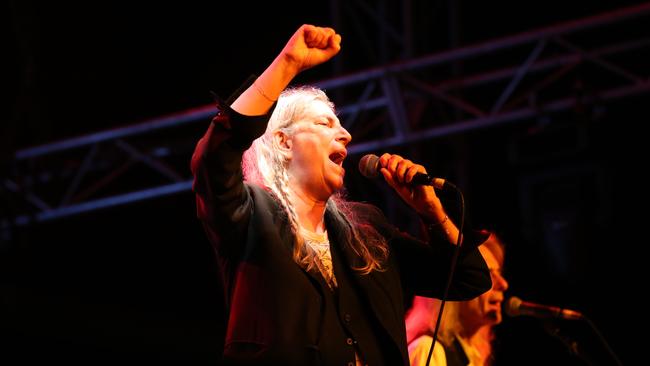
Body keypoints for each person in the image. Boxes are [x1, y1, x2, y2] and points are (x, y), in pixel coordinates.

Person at [190, 24, 492, 366]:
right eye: (324, 124)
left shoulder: (367, 231)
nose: (346, 135)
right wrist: (287, 64)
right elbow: (213, 156)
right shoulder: (249, 216)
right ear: (283, 142)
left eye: (341, 125)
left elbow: (468, 280)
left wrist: (432, 212)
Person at [406, 233, 509, 366]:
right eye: (488, 274)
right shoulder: (429, 349)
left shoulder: (473, 354)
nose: (503, 284)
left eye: (498, 273)